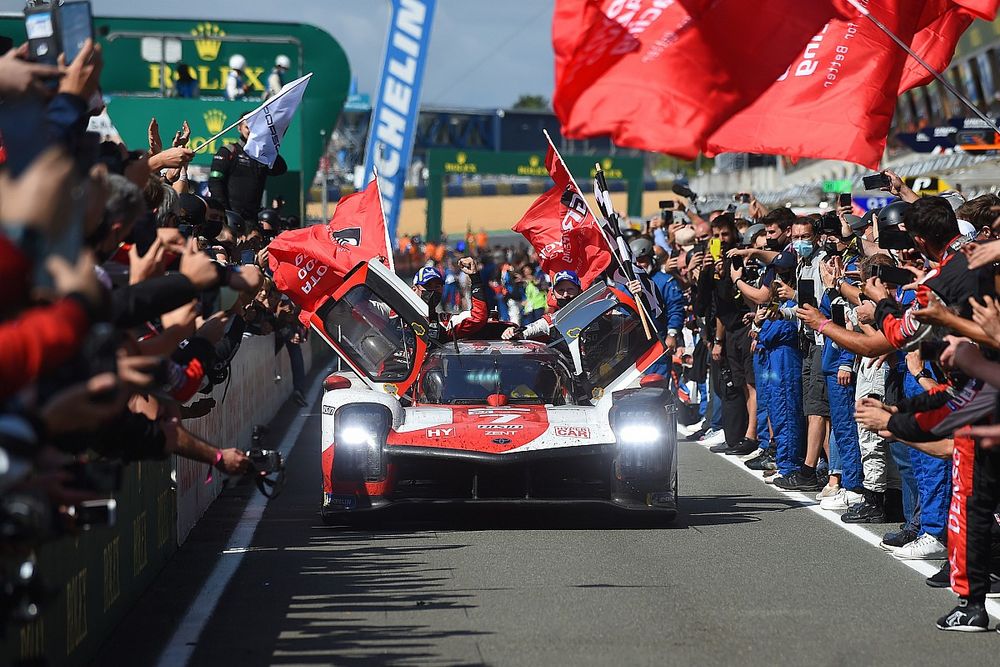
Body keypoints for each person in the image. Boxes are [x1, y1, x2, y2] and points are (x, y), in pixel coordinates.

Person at [207, 113, 288, 224]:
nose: (251, 131)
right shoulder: (229, 151)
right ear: (239, 128)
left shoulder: (261, 154)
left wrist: (267, 147)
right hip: (230, 215)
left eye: (256, 127)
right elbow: (215, 182)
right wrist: (225, 212)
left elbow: (281, 169)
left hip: (252, 218)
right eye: (247, 127)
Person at [413, 258, 487, 341]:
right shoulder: (399, 315)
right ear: (414, 289)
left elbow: (477, 318)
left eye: (437, 287)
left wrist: (475, 278)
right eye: (428, 286)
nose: (433, 291)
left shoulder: (444, 322)